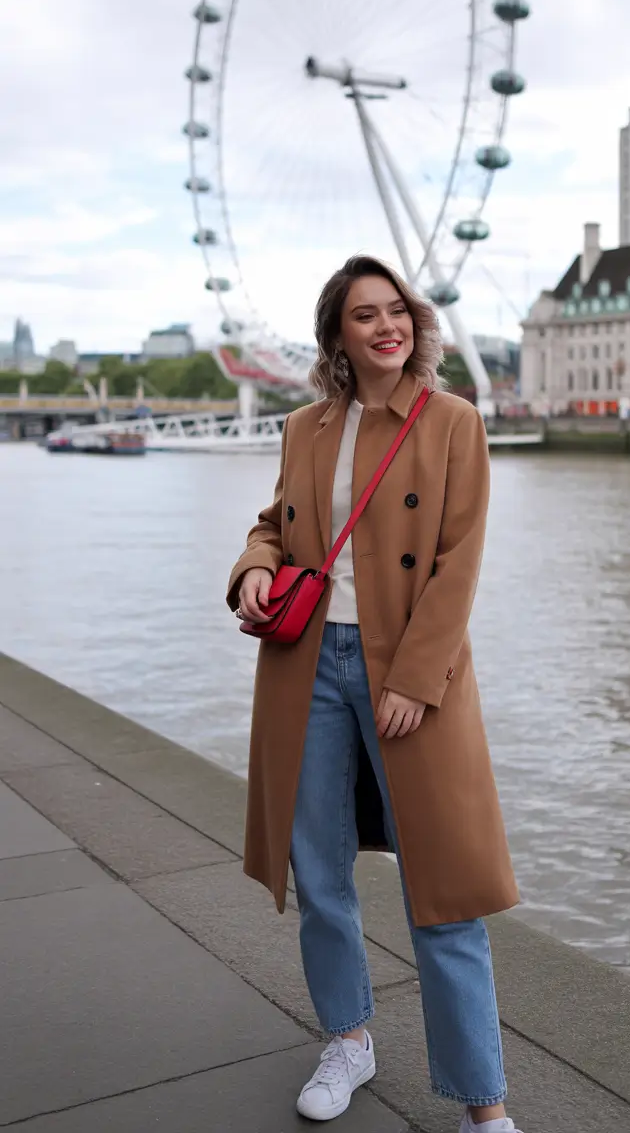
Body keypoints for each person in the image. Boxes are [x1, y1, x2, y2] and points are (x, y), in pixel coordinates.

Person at [227, 255, 521, 1131]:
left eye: (398, 310)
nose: (387, 325)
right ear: (336, 336)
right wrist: (253, 568)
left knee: (444, 889)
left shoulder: (453, 422)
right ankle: (348, 1040)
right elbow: (276, 523)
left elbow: (457, 563)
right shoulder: (305, 427)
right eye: (365, 315)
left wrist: (415, 679)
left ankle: (485, 1106)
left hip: (409, 676)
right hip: (307, 668)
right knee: (320, 875)